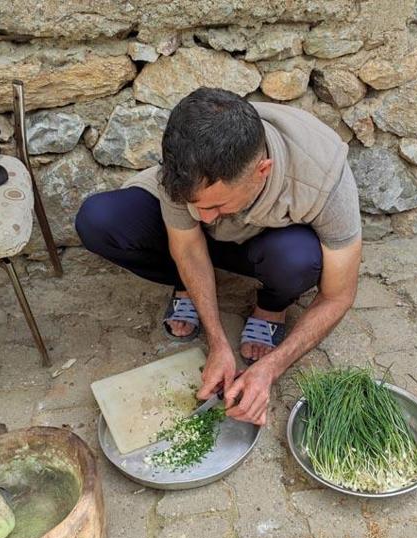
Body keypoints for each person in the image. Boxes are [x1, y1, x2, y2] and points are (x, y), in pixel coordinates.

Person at [75, 87, 362, 426]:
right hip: (201, 243)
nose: (204, 217)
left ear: (262, 170)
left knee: (298, 259)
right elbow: (187, 244)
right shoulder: (184, 166)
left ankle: (271, 306)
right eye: (195, 205)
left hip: (266, 245)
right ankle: (185, 285)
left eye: (216, 205)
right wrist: (217, 343)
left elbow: (338, 296)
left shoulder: (323, 174)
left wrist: (269, 369)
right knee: (99, 220)